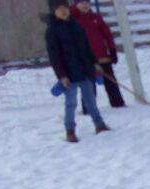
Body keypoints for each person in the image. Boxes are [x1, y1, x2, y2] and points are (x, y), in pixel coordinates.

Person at [44, 0, 110, 142]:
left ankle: (99, 125)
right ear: (54, 11)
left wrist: (94, 63)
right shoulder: (52, 30)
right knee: (71, 103)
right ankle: (70, 131)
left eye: (65, 8)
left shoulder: (76, 25)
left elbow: (87, 47)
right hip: (69, 75)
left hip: (85, 70)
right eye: (59, 8)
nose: (63, 11)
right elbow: (54, 56)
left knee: (91, 101)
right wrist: (61, 76)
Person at [70, 0, 126, 109]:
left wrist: (112, 50)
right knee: (89, 84)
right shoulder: (72, 20)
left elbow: (107, 35)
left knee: (110, 81)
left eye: (87, 2)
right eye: (82, 3)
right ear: (76, 4)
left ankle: (118, 103)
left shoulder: (96, 17)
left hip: (102, 56)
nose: (85, 5)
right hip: (85, 59)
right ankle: (89, 107)